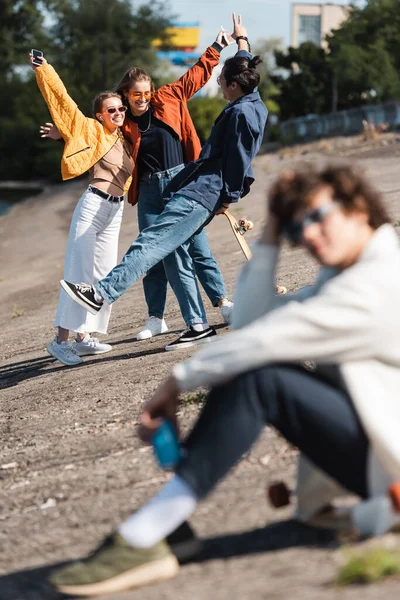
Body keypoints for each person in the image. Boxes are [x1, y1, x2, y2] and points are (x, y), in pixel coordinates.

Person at [49, 164, 400, 596]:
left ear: (359, 210)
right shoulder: (348, 274)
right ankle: (166, 525)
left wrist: (176, 383)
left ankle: (148, 532)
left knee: (263, 378)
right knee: (261, 369)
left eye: (317, 217)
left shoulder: (379, 282)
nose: (307, 235)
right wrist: (271, 230)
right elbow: (252, 323)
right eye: (297, 226)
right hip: (376, 461)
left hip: (388, 474)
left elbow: (270, 337)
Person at [60, 14, 270, 350]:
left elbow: (238, 158)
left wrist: (227, 197)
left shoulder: (233, 112)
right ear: (126, 97)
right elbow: (95, 134)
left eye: (146, 92)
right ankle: (189, 322)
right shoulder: (249, 102)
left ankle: (101, 294)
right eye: (135, 94)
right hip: (171, 189)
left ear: (233, 84)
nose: (142, 98)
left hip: (195, 185)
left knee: (157, 245)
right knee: (168, 254)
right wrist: (241, 41)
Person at [31, 53, 134, 366]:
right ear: (100, 115)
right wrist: (45, 68)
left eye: (121, 108)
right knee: (78, 275)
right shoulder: (91, 129)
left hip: (114, 213)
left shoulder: (128, 139)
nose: (118, 113)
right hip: (93, 206)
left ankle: (85, 337)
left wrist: (63, 137)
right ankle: (60, 341)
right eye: (111, 110)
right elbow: (63, 102)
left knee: (101, 276)